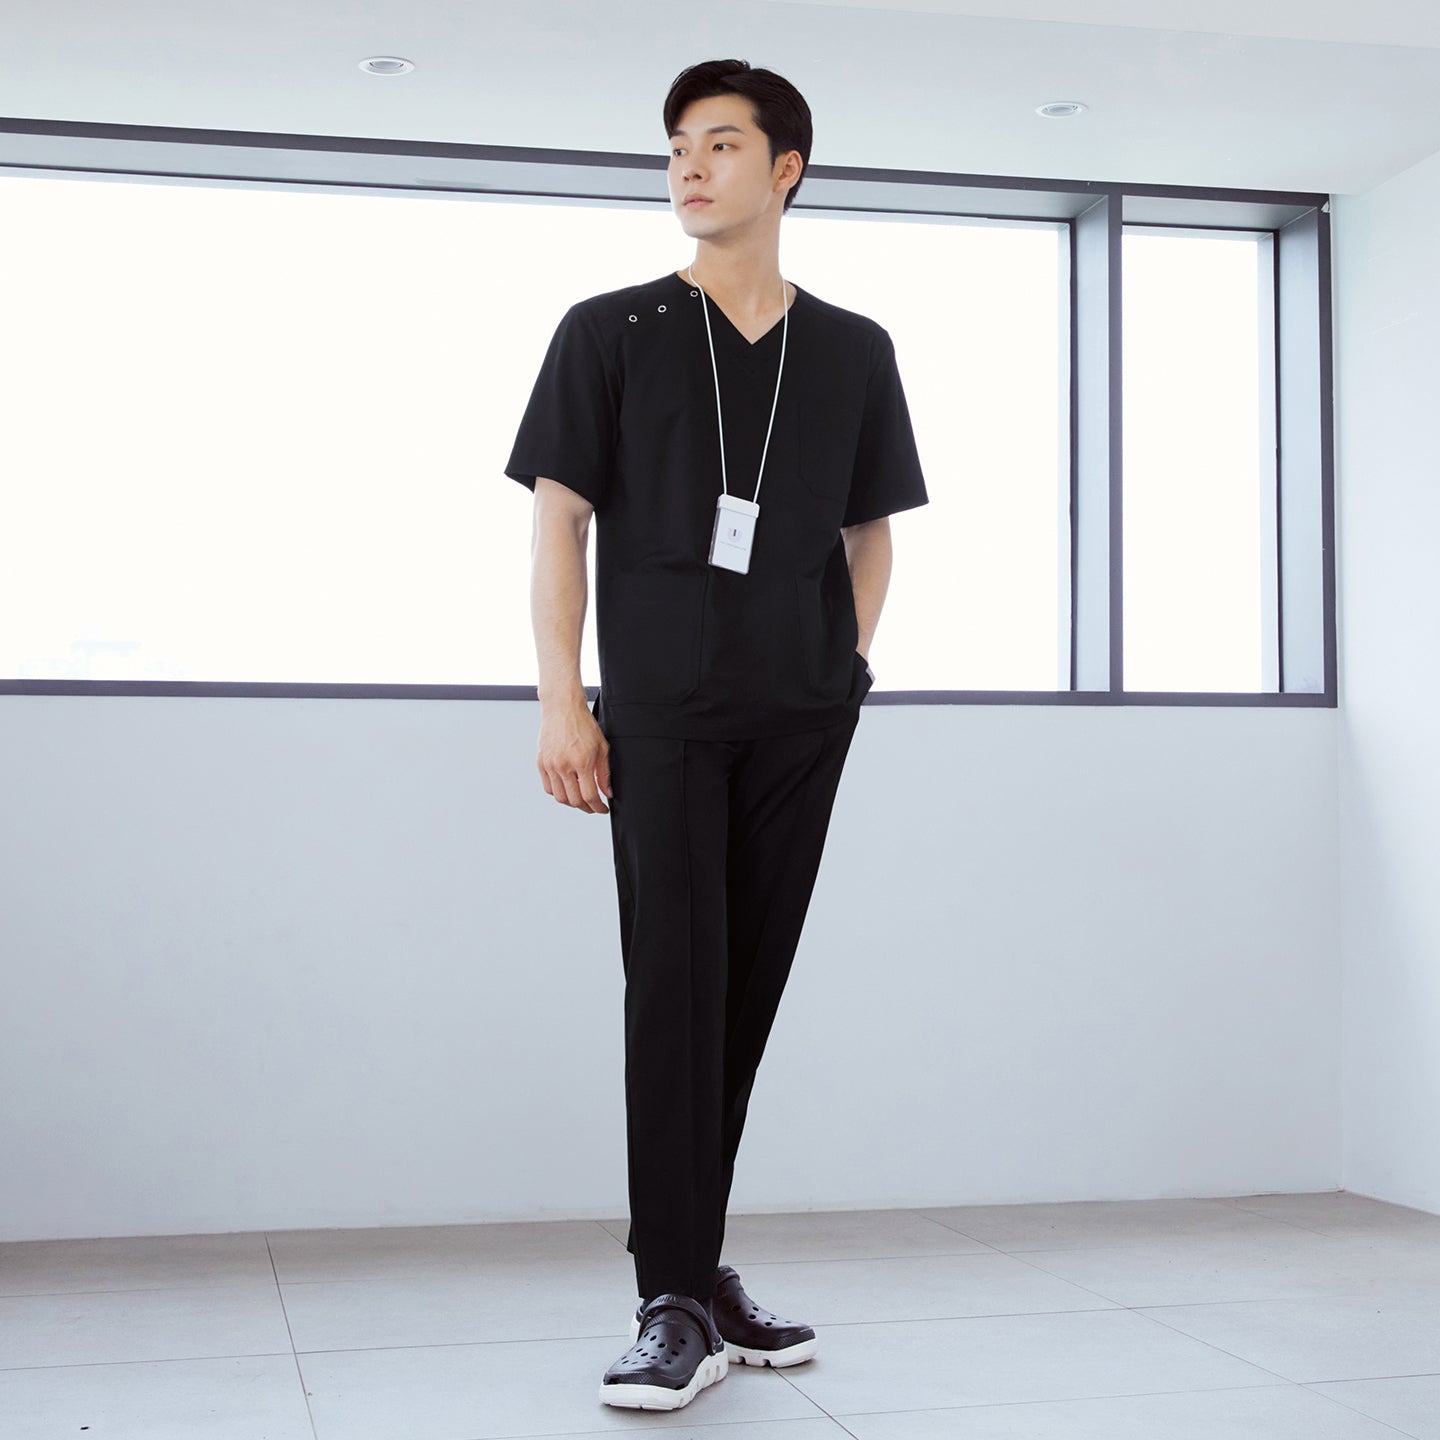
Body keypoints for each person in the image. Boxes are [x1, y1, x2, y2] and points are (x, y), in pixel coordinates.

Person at [504, 58, 928, 1412]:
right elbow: (558, 523)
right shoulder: (611, 330)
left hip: (802, 722)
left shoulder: (855, 350)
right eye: (678, 146)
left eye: (722, 144)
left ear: (785, 170)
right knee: (674, 991)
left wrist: (845, 668)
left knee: (740, 997)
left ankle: (699, 1267)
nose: (690, 167)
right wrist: (563, 698)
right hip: (665, 721)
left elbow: (870, 535)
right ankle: (669, 1297)